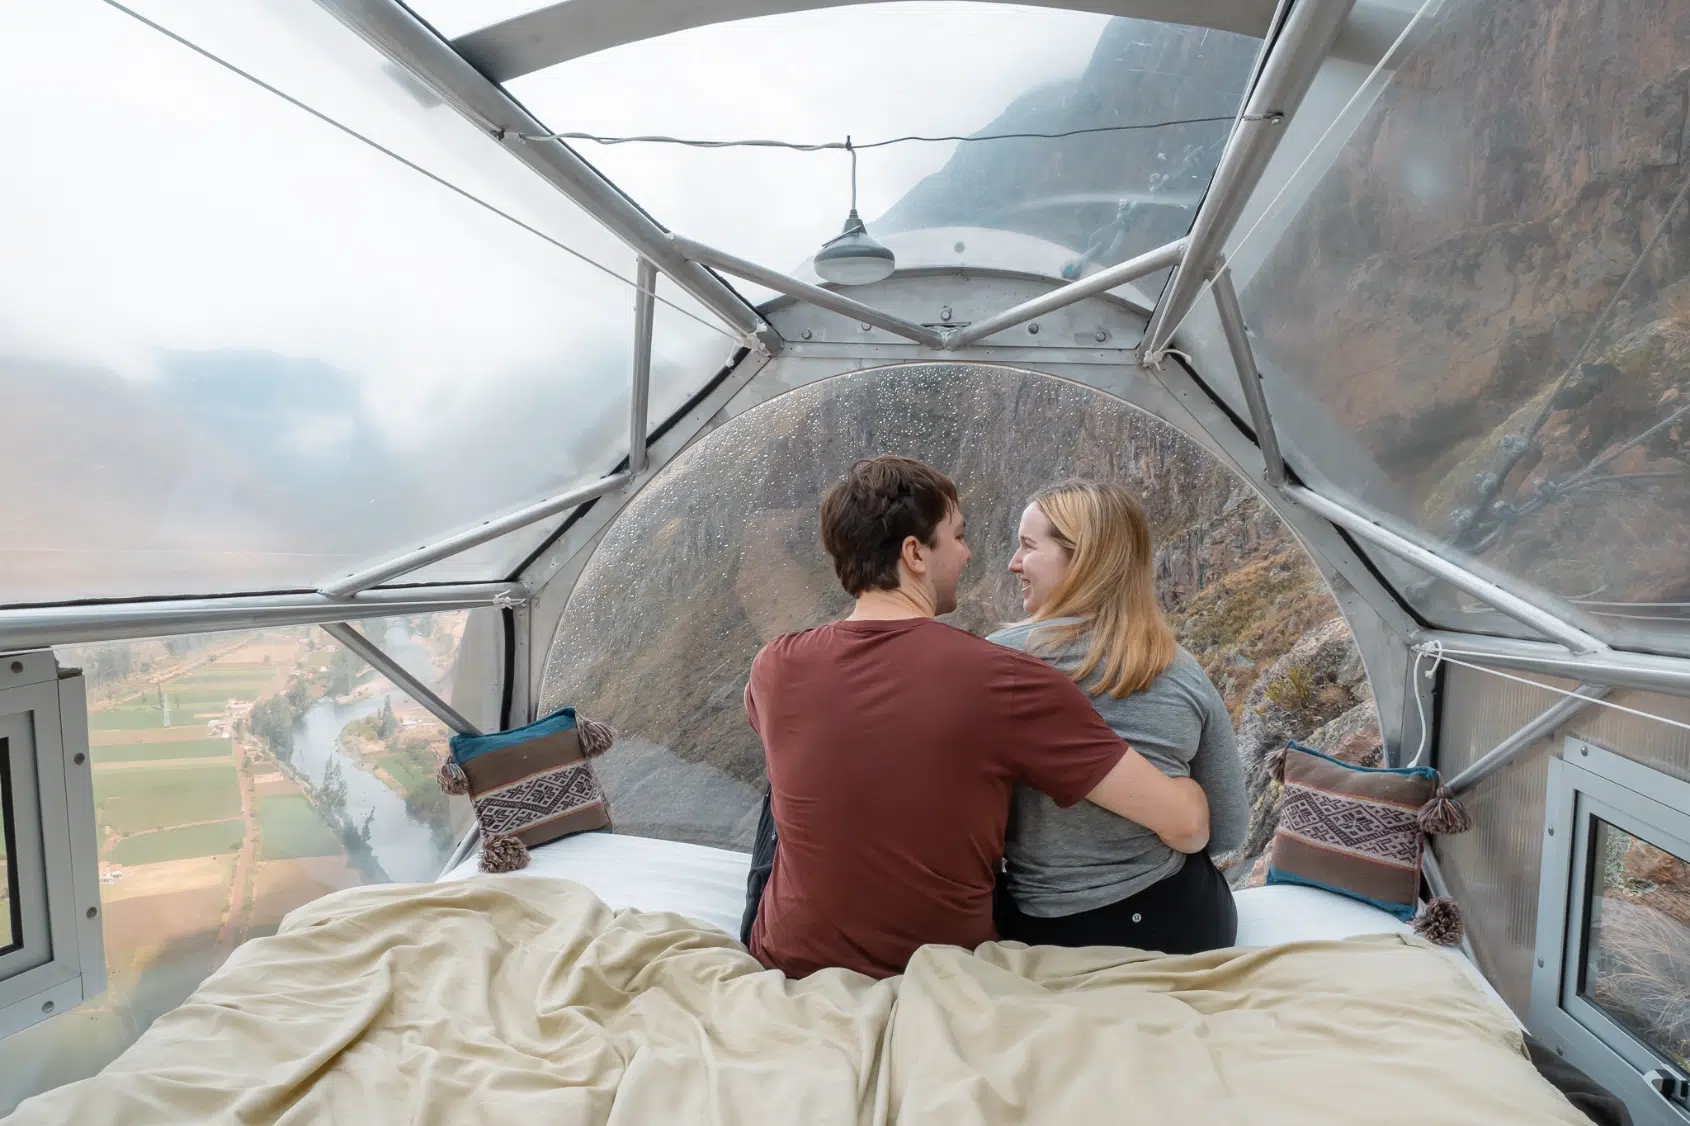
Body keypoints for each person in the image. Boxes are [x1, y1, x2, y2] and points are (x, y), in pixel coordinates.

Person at [740, 455, 1210, 979]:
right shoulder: (1003, 679)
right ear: (915, 553)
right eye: (958, 537)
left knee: (787, 776)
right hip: (931, 972)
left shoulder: (773, 665)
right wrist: (1189, 793)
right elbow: (1185, 826)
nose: (968, 555)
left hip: (783, 959)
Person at [988, 479, 1247, 955]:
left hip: (1048, 934)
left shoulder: (993, 664)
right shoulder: (1180, 668)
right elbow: (1229, 829)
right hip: (1184, 926)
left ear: (1080, 557)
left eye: (1027, 547)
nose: (1014, 563)